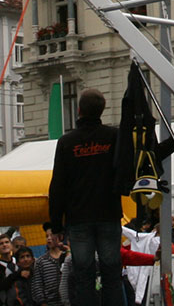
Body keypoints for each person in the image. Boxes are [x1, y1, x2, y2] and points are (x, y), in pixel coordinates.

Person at [48, 87, 123, 306]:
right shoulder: (113, 136)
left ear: (79, 110)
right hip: (108, 213)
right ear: (102, 110)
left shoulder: (67, 142)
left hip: (79, 217)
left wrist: (56, 224)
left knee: (83, 276)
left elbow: (58, 185)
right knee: (112, 275)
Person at [30, 230, 67, 306]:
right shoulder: (41, 261)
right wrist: (42, 302)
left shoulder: (68, 257)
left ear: (60, 237)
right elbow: (37, 285)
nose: (49, 238)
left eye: (52, 235)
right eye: (47, 236)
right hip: (50, 302)